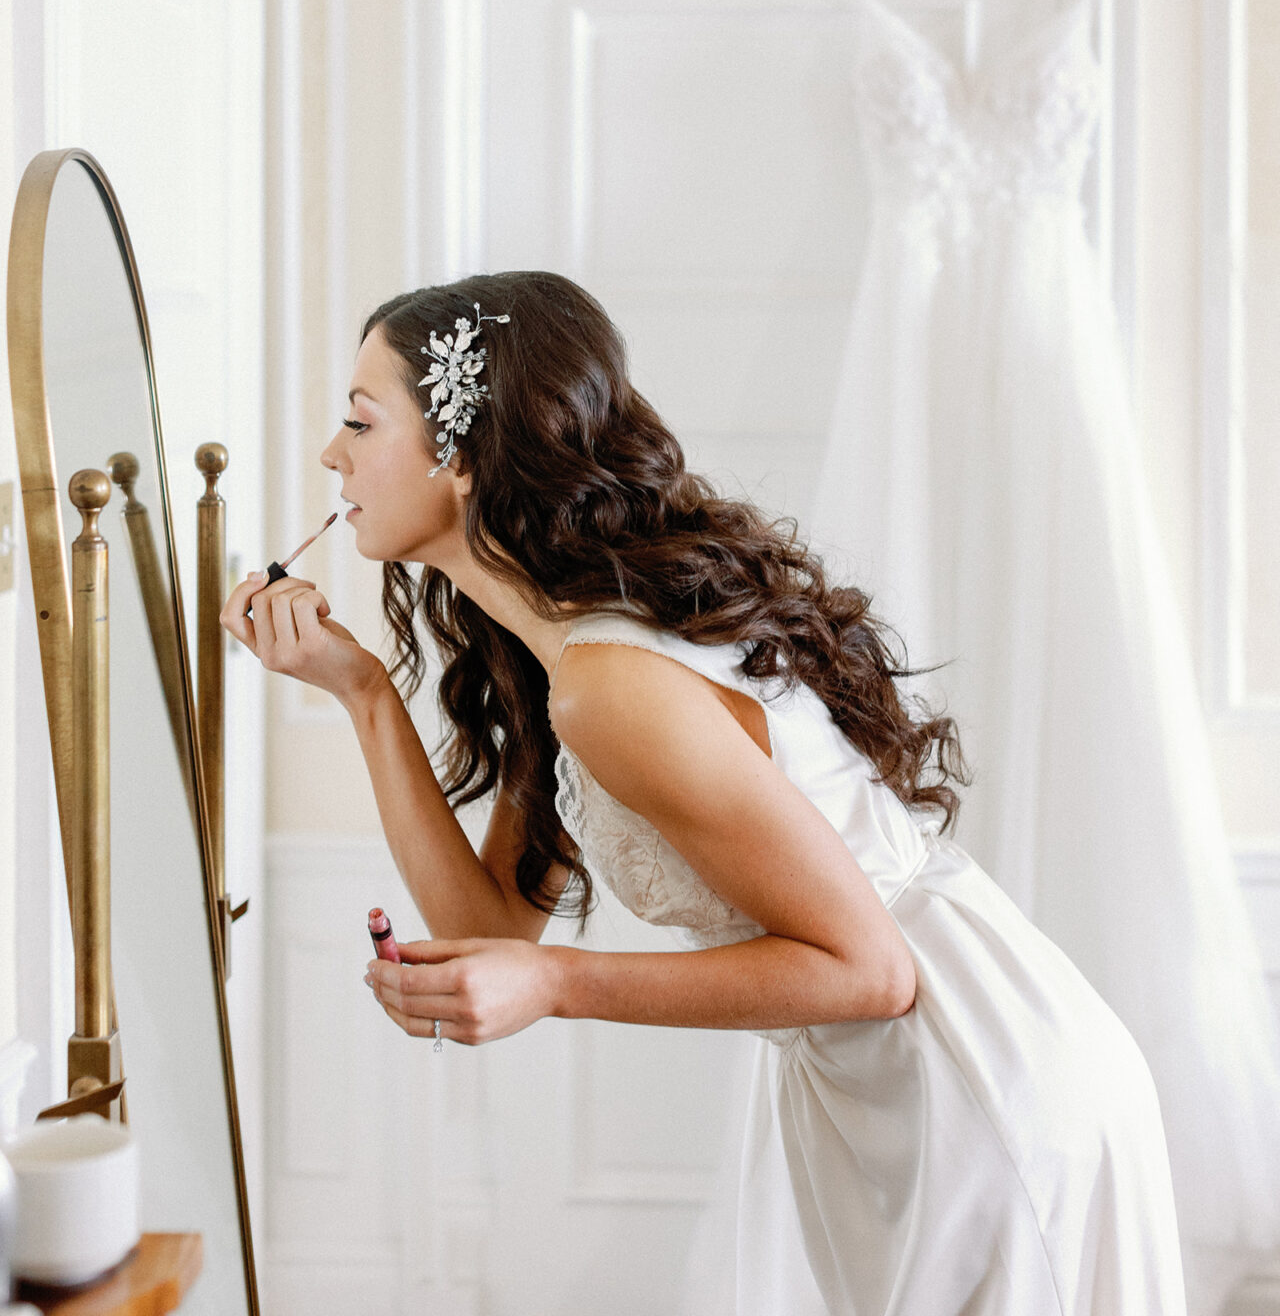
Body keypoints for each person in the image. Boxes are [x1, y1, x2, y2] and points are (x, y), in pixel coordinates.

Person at [221, 270, 1187, 1315]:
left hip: (969, 1074)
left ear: (458, 455)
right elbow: (490, 924)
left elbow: (869, 971)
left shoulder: (608, 685)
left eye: (360, 423)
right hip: (879, 1076)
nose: (332, 455)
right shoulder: (563, 655)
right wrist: (362, 694)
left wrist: (560, 989)